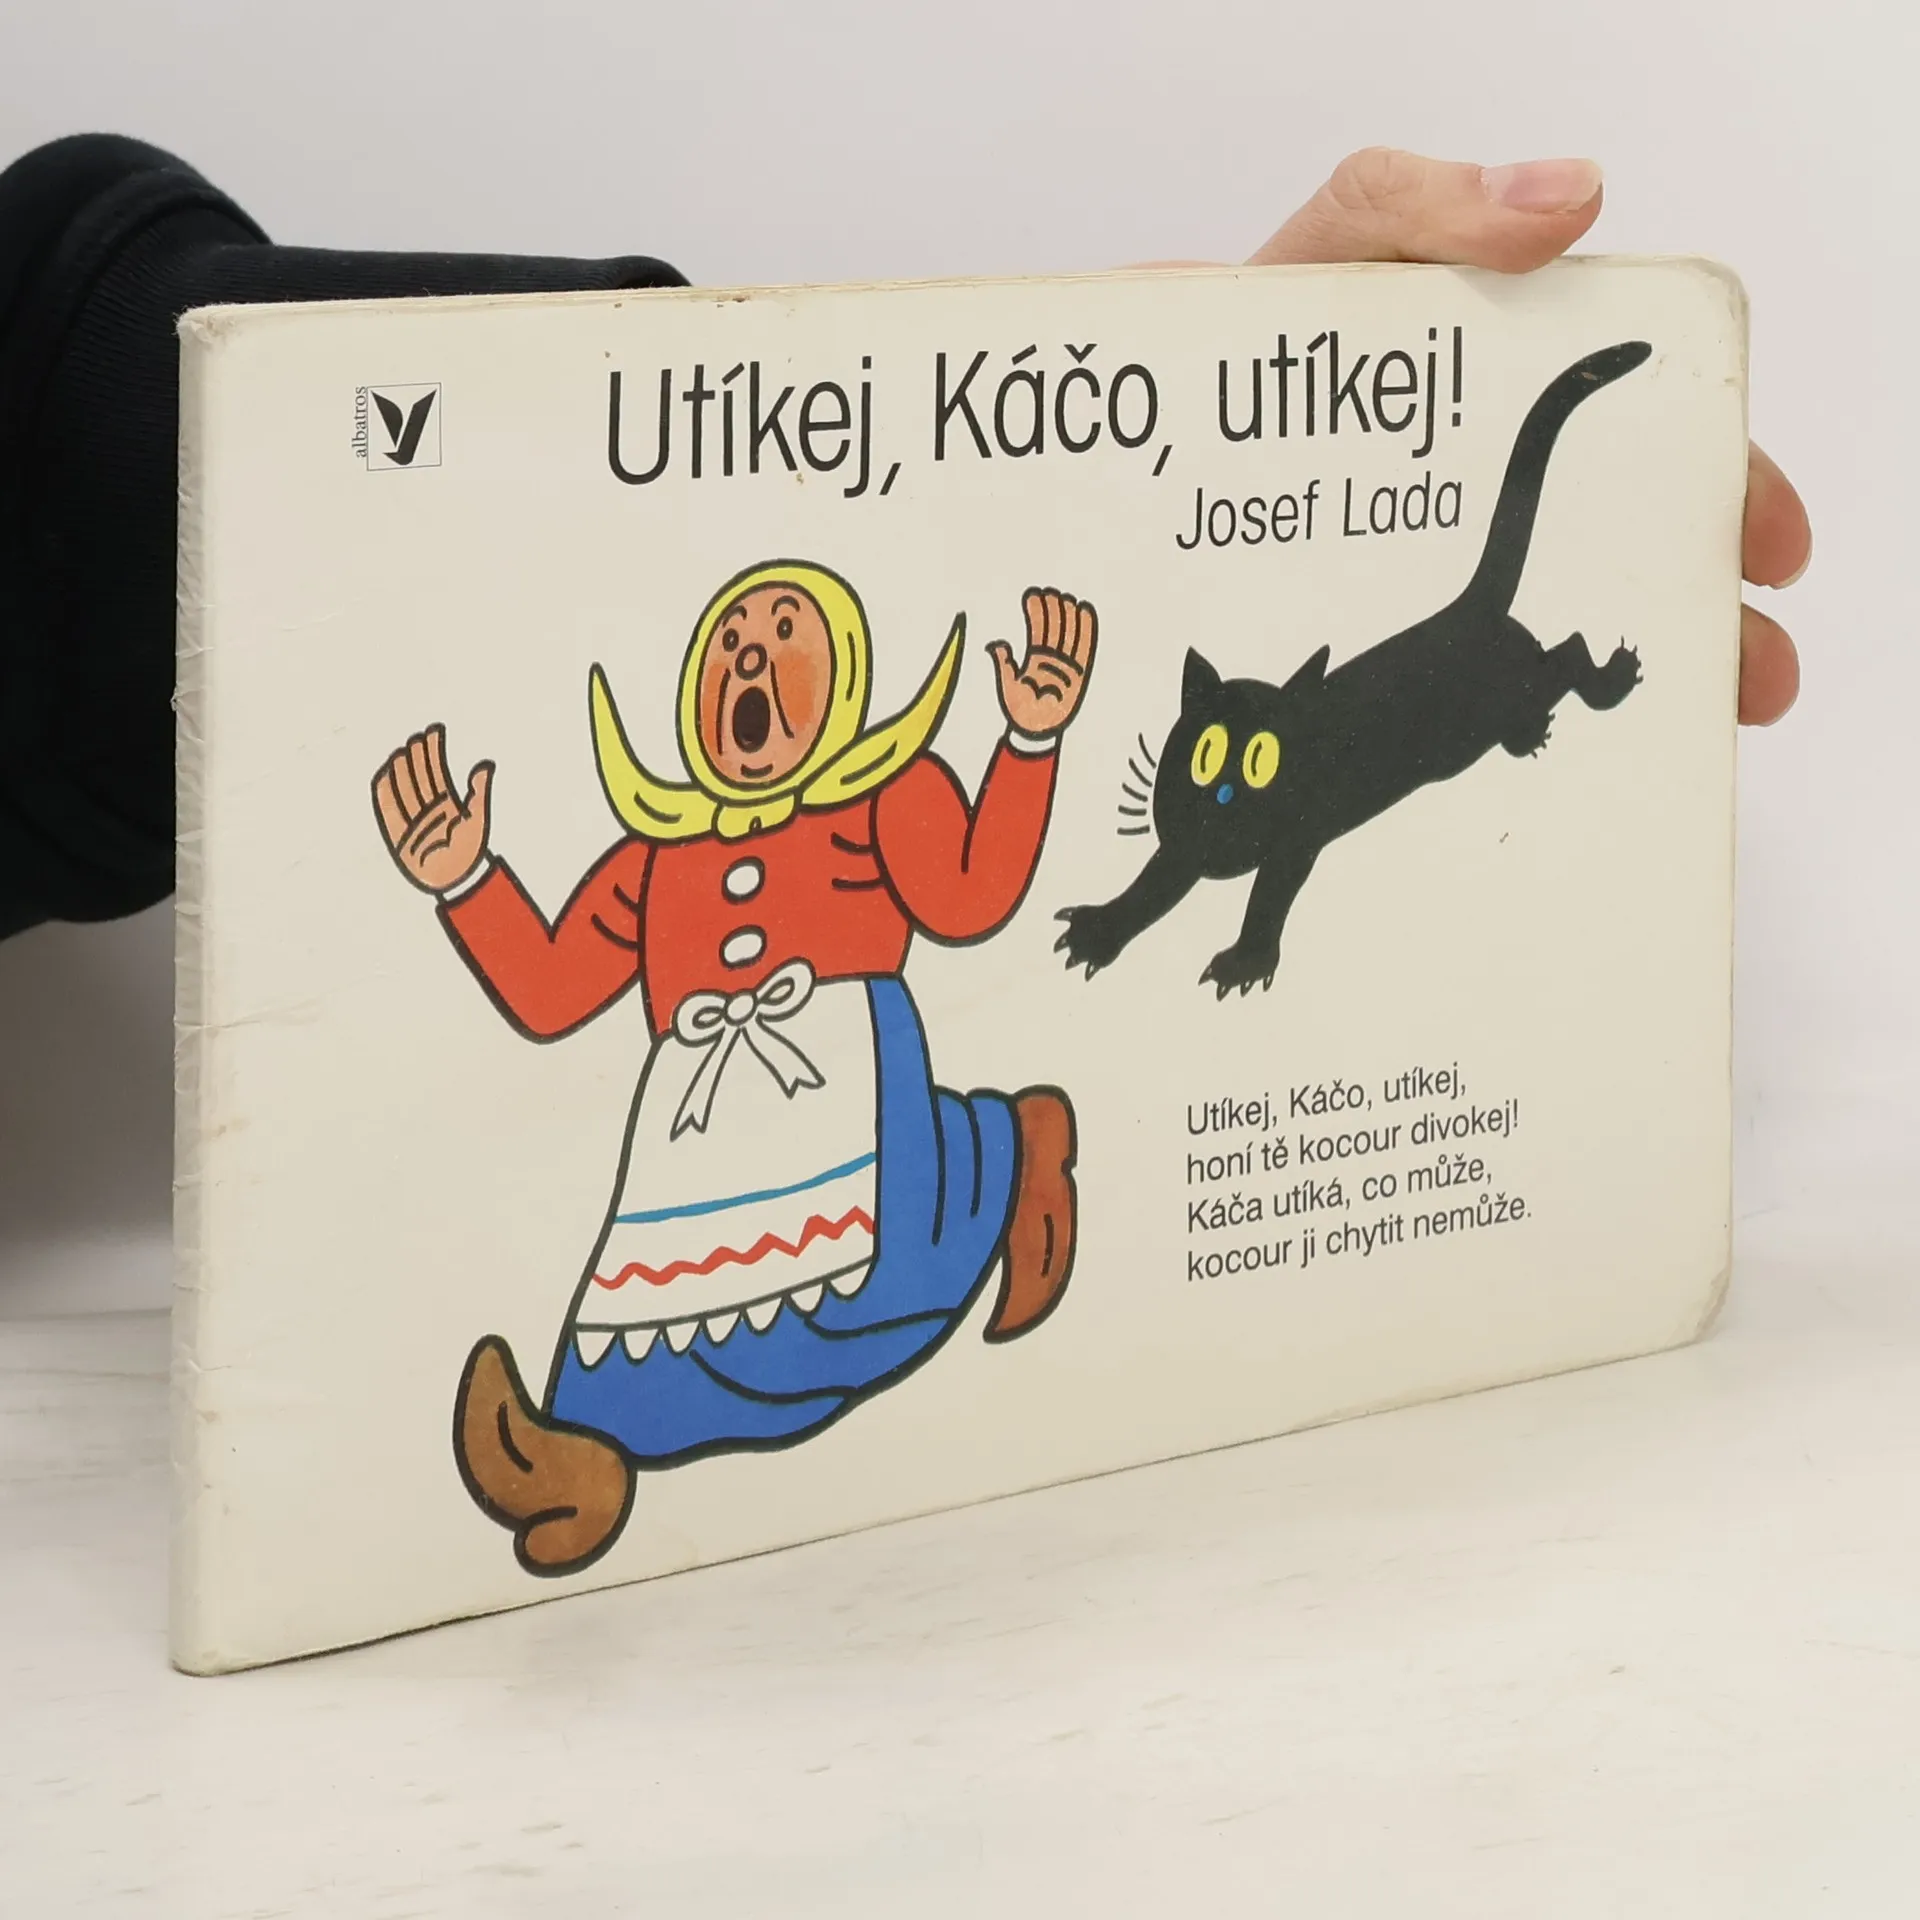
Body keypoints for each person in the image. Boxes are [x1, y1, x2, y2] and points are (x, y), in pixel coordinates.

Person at [0, 138, 1808, 945]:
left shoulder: (877, 819)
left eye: (776, 641)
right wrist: (476, 875)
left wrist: (998, 454)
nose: (741, 668)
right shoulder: (652, 871)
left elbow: (72, 414)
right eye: (733, 645)